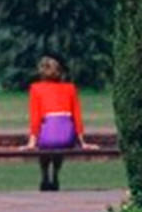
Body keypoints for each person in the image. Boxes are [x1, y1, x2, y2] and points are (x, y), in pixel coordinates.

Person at [25, 55, 97, 191]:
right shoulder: (70, 88)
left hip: (47, 135)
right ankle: (56, 174)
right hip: (66, 135)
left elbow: (35, 118)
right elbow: (77, 116)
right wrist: (82, 141)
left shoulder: (35, 88)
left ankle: (45, 175)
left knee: (45, 145)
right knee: (59, 143)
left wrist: (32, 141)